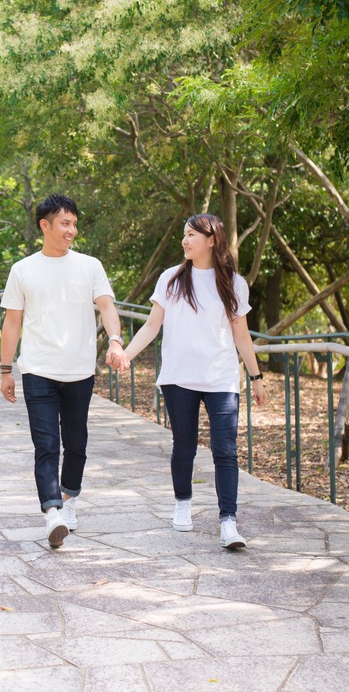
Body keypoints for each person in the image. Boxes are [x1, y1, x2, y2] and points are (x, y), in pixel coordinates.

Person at [110, 213, 266, 549]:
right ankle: (183, 504)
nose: (185, 240)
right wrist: (126, 354)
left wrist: (255, 377)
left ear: (212, 240)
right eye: (184, 233)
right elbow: (152, 326)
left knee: (225, 450)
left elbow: (242, 336)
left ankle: (228, 522)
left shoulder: (234, 284)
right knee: (185, 445)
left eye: (192, 234)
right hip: (179, 377)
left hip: (221, 377)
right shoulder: (171, 279)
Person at [0, 194, 123, 548]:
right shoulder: (23, 270)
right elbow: (12, 323)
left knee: (77, 443)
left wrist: (115, 340)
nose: (71, 230)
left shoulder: (89, 266)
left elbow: (107, 307)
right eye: (65, 223)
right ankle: (52, 511)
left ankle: (69, 498)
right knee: (46, 445)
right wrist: (6, 370)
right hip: (37, 371)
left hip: (80, 372)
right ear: (45, 225)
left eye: (74, 224)